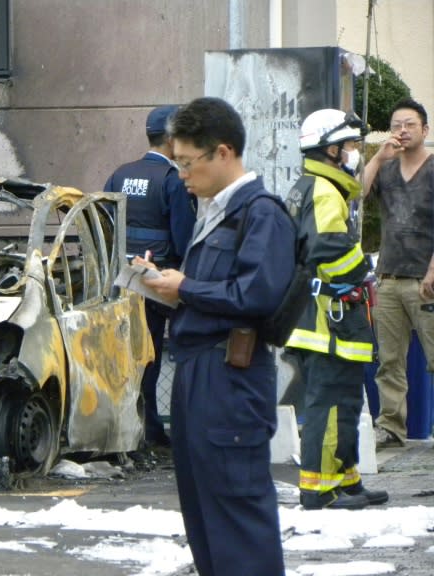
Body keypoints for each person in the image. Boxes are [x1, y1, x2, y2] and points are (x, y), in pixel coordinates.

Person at [136, 97, 288, 576]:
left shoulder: (260, 213)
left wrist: (187, 286)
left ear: (222, 152)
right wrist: (168, 286)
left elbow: (256, 294)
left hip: (231, 375)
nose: (181, 174)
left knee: (237, 510)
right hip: (201, 370)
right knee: (204, 512)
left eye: (187, 162)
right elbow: (216, 293)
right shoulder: (214, 211)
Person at [284, 108, 388, 510]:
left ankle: (345, 480)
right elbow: (328, 248)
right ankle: (318, 490)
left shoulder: (311, 185)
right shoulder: (324, 191)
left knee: (345, 401)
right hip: (328, 318)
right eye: (348, 146)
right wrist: (363, 269)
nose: (354, 153)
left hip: (322, 316)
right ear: (330, 150)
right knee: (329, 405)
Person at [104, 105, 196, 448]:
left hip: (120, 280)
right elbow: (185, 237)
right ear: (171, 140)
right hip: (157, 283)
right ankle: (151, 430)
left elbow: (105, 222)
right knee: (152, 356)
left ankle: (133, 426)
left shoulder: (121, 174)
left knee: (126, 357)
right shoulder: (172, 181)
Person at [362, 97, 434, 448]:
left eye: (409, 124)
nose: (402, 131)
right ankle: (390, 426)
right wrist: (378, 156)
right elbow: (355, 194)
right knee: (389, 360)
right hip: (388, 277)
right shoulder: (386, 169)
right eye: (396, 126)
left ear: (425, 129)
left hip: (426, 279)